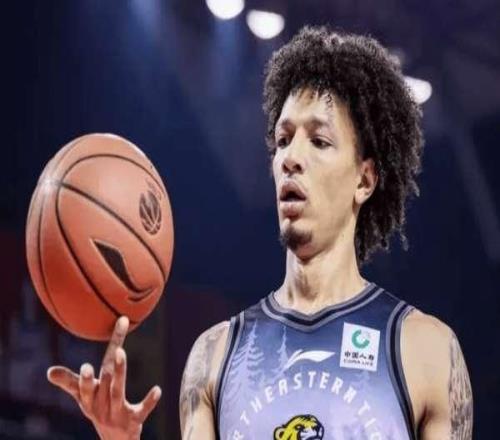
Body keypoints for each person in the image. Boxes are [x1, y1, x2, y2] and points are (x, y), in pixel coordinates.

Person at [47, 26, 473, 439]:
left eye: (319, 141)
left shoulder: (424, 350)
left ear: (364, 180)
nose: (290, 157)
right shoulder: (215, 355)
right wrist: (118, 437)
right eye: (283, 140)